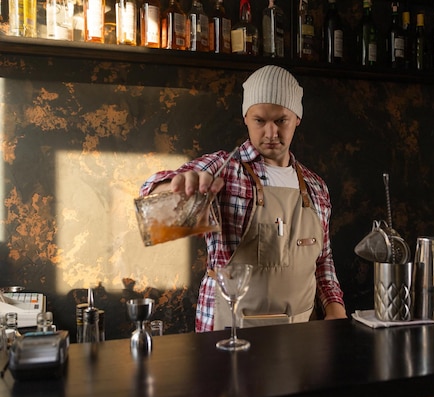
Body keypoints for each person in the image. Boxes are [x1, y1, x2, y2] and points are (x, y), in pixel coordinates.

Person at [140, 65, 347, 332]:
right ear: (246, 118)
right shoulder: (223, 168)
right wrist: (174, 190)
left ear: (297, 118)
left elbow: (323, 260)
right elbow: (157, 213)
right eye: (260, 120)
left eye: (281, 120)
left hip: (302, 334)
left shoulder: (315, 186)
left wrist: (335, 309)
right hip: (232, 331)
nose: (271, 133)